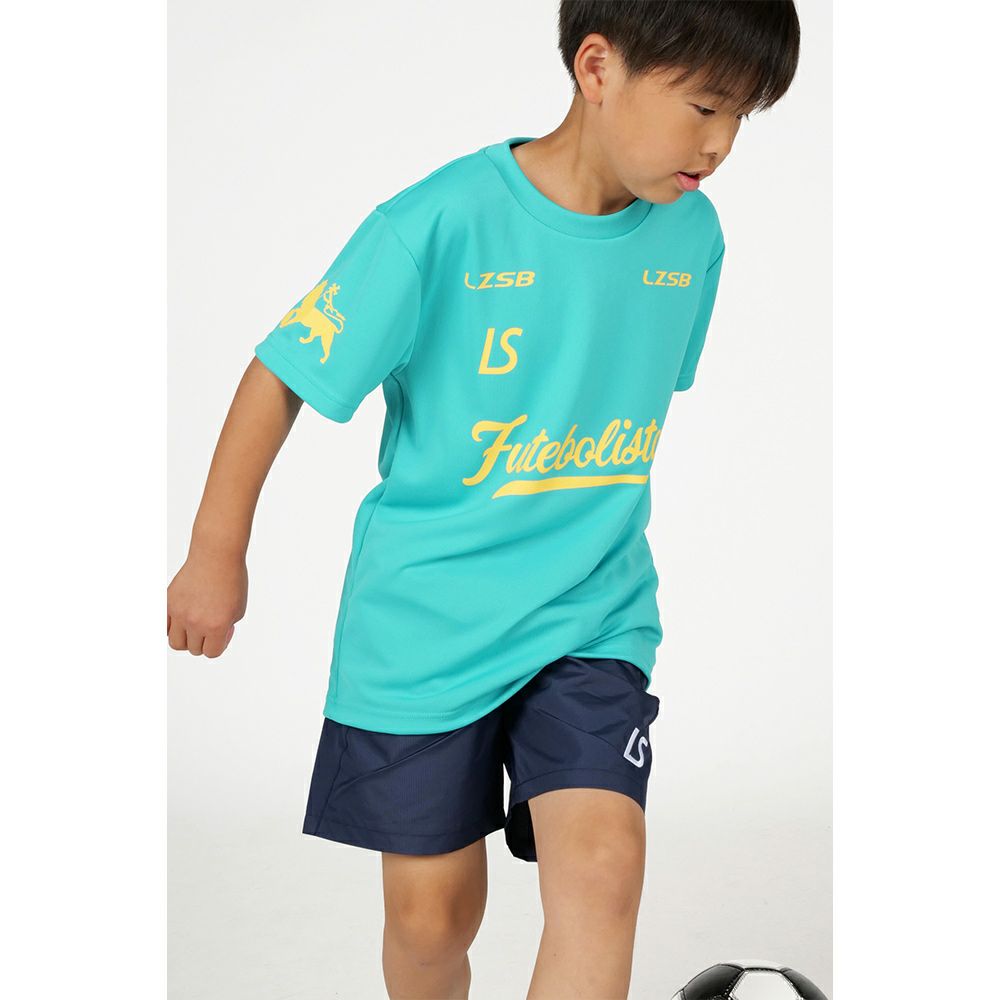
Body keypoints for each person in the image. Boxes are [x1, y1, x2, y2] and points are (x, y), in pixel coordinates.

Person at [167, 1, 800, 996]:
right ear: (598, 68)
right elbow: (282, 372)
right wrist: (216, 551)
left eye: (742, 118)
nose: (720, 145)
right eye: (705, 107)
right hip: (426, 628)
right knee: (432, 919)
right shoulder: (438, 224)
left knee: (603, 866)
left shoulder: (693, 239)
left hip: (590, 614)